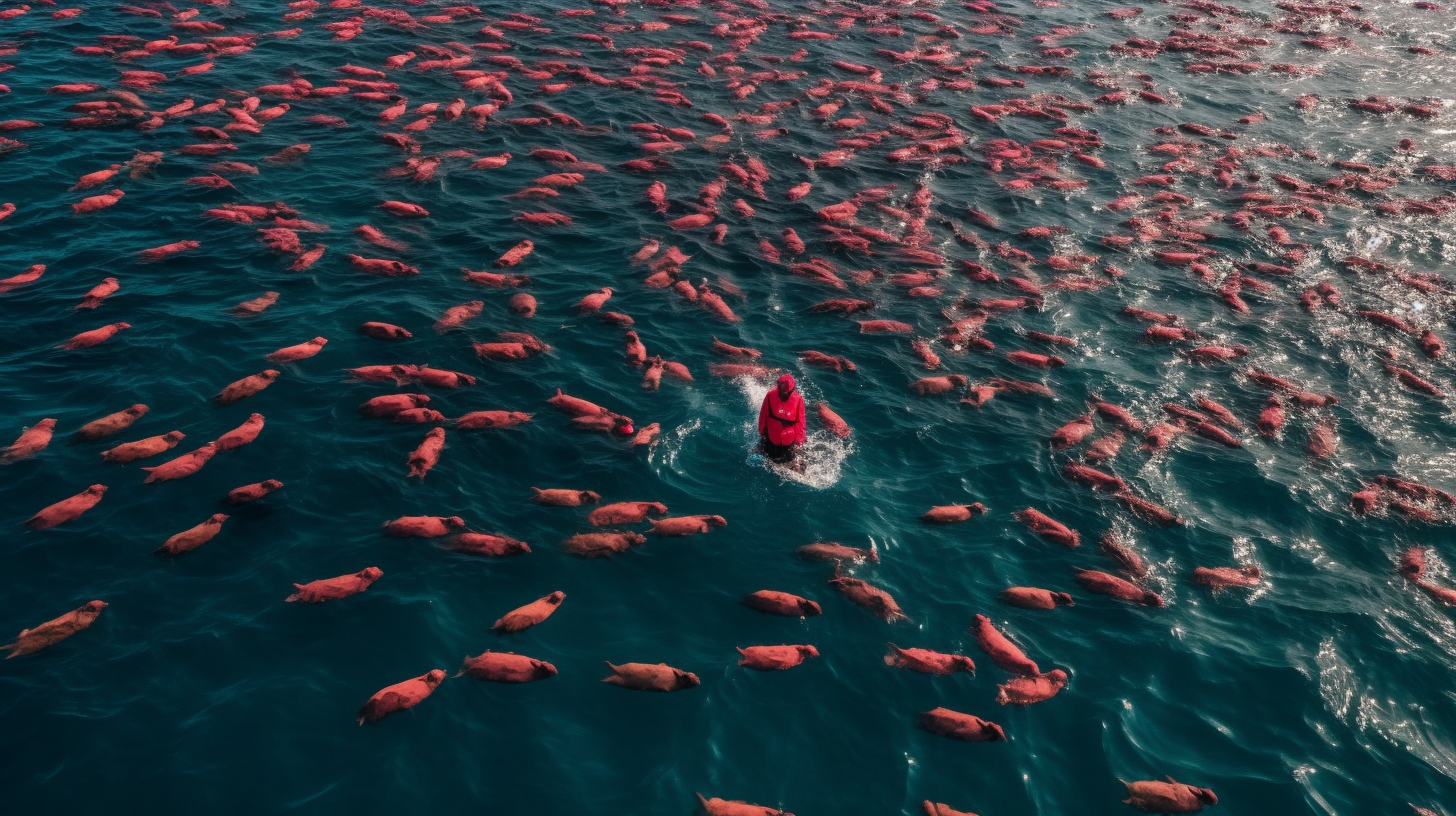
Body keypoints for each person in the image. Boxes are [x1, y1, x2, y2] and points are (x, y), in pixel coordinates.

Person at [757, 373, 806, 464]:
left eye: (785, 391)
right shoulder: (770, 395)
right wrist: (761, 432)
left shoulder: (798, 399)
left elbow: (801, 421)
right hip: (771, 436)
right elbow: (763, 414)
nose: (782, 394)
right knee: (766, 458)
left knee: (793, 464)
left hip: (788, 440)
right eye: (780, 389)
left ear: (791, 390)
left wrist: (799, 441)